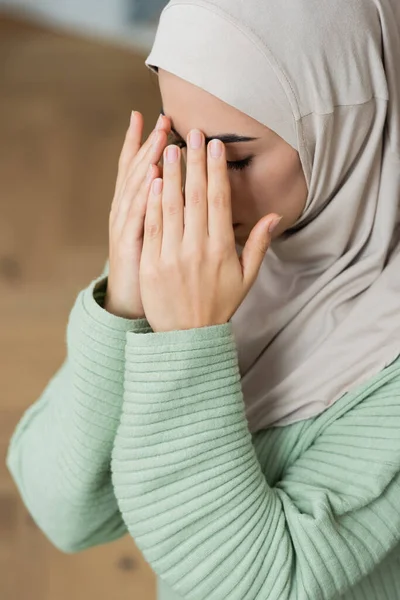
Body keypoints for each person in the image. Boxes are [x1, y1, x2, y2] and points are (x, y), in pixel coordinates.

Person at [7, 0, 400, 598]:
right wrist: (124, 310)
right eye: (179, 144)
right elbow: (65, 510)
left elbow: (248, 586)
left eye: (235, 157)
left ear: (351, 130)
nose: (194, 189)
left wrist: (187, 344)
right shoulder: (200, 251)